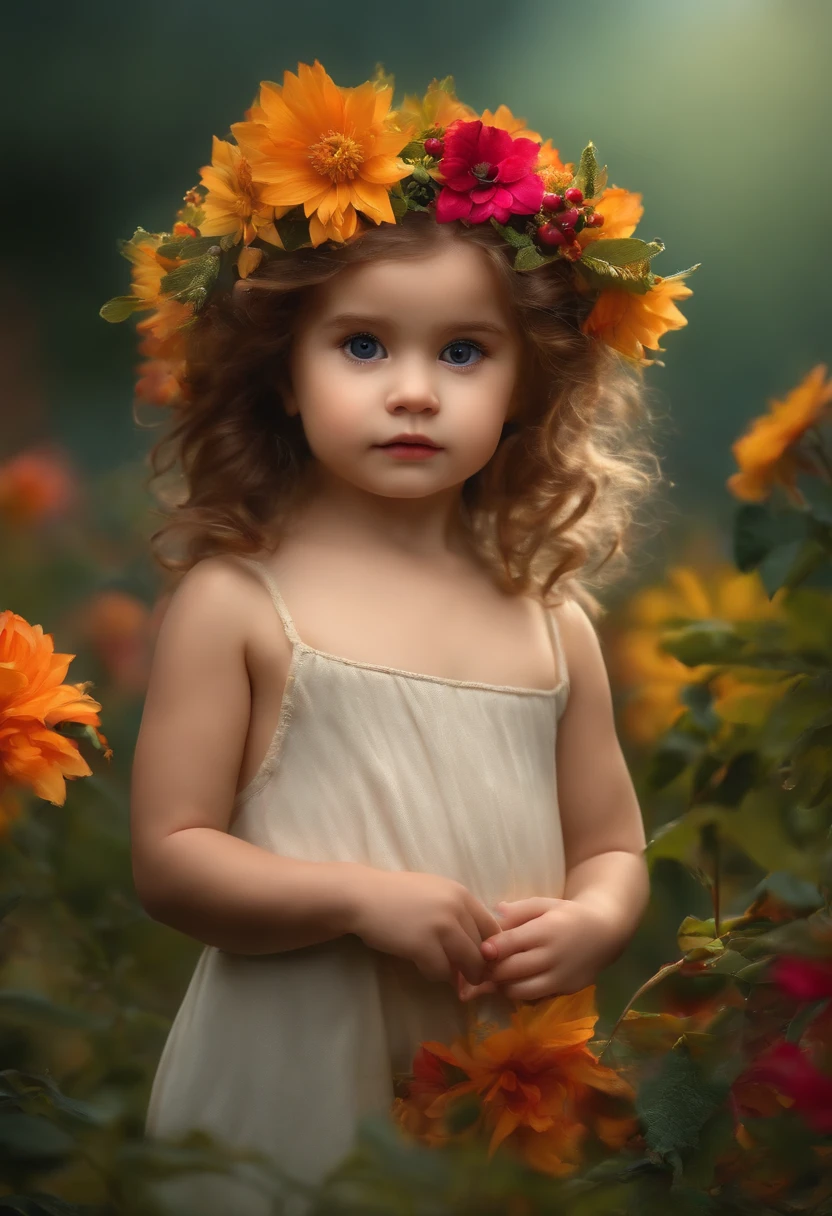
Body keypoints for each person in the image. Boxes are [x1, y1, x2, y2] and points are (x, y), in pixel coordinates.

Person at [109, 59, 697, 1215]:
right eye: (364, 347)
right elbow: (171, 856)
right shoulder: (240, 603)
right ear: (281, 373)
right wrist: (356, 900)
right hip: (293, 1063)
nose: (415, 391)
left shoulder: (549, 621)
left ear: (529, 386)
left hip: (498, 1077)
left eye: (463, 352)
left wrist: (592, 920)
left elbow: (612, 846)